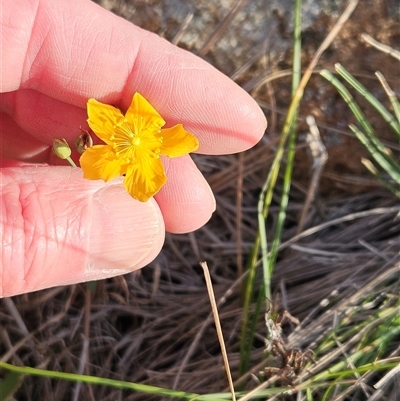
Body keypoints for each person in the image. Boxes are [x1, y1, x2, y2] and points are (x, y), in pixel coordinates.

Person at [0, 0, 267, 297]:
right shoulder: (109, 127)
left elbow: (181, 140)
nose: (136, 139)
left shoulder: (162, 140)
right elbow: (101, 115)